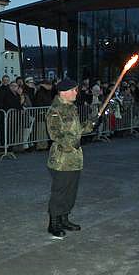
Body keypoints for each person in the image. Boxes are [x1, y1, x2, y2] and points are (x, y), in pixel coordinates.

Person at [46, 79, 95, 239]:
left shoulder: (71, 108)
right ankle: (54, 223)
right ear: (64, 92)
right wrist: (71, 142)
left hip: (74, 158)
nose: (76, 92)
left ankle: (64, 218)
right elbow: (55, 134)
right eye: (74, 90)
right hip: (61, 158)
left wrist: (92, 123)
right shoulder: (55, 110)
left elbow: (77, 130)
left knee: (71, 191)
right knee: (60, 191)